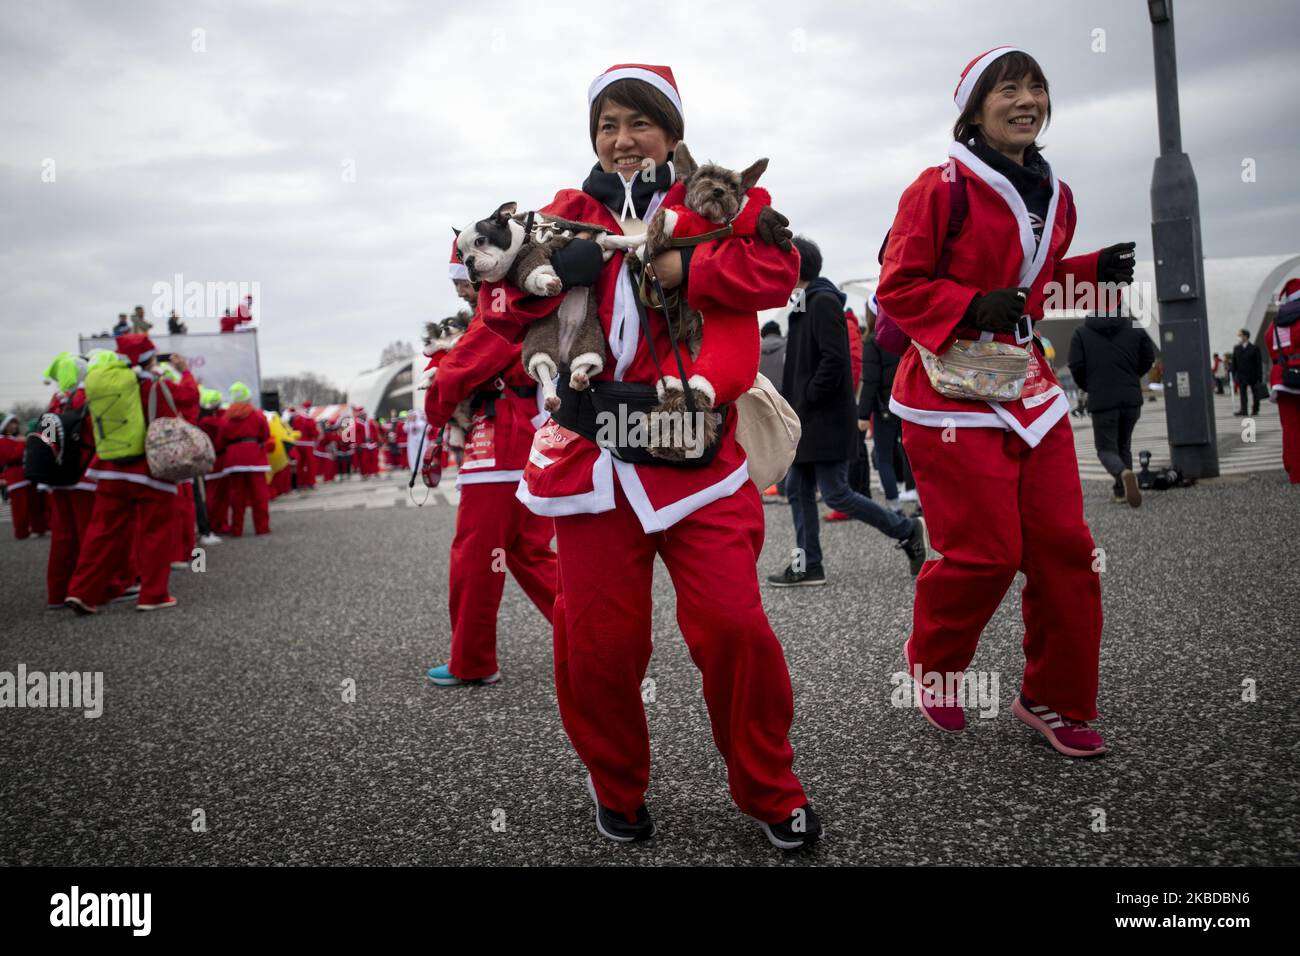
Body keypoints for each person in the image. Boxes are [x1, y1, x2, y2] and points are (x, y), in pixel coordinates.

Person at [478, 63, 820, 849]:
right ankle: (616, 783)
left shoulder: (714, 196)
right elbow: (489, 296)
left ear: (671, 131)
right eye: (608, 125)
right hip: (592, 463)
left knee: (735, 628)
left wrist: (688, 265)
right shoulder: (562, 211)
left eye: (641, 123)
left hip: (698, 455)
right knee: (596, 645)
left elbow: (780, 266)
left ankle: (771, 788)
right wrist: (539, 285)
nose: (624, 140)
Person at [877, 46, 1134, 757]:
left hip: (1028, 387)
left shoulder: (1060, 195)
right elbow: (897, 289)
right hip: (949, 394)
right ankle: (934, 665)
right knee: (984, 554)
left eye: (1037, 87)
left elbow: (1035, 287)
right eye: (1009, 88)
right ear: (975, 107)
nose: (1027, 100)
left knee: (1068, 551)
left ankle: (1055, 697)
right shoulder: (938, 188)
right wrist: (969, 304)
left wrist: (1089, 273)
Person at [423, 232, 559, 688]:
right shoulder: (523, 297)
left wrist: (436, 412)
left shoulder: (498, 308)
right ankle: (599, 636)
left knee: (476, 557)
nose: (461, 290)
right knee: (528, 552)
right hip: (534, 438)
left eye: (463, 278)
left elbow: (458, 371)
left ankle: (473, 660)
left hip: (500, 441)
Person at [768, 237, 926, 586]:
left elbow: (834, 362)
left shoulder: (821, 302)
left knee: (837, 492)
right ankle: (808, 564)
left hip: (822, 420)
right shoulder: (805, 302)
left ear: (795, 266)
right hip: (810, 420)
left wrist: (806, 398)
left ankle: (907, 530)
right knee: (797, 489)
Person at [66, 334, 195, 613]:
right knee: (155, 533)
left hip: (109, 469)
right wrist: (184, 372)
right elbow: (188, 398)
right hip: (149, 470)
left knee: (101, 533)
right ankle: (153, 595)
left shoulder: (103, 384)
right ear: (149, 358)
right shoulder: (153, 385)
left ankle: (83, 592)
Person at [1067, 302, 1156, 507]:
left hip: (1102, 400)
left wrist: (1089, 386)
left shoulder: (1081, 332)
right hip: (1131, 398)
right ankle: (1121, 490)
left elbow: (1076, 365)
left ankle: (1122, 474)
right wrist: (1132, 378)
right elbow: (1148, 358)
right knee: (1124, 445)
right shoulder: (1134, 326)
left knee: (1106, 449)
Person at [41, 353, 98, 606]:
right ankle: (88, 589)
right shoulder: (85, 397)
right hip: (83, 475)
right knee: (89, 534)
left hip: (57, 476)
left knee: (62, 536)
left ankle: (57, 592)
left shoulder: (56, 401)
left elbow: (49, 439)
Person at [859, 308, 906, 512]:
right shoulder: (904, 334)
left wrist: (862, 414)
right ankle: (920, 502)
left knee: (883, 456)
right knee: (908, 452)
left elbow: (870, 381)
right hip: (905, 403)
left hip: (883, 407)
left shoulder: (873, 340)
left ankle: (894, 506)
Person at [217, 381, 272, 536]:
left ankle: (237, 528)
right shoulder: (256, 414)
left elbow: (221, 439)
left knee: (236, 496)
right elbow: (265, 434)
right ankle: (262, 527)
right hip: (254, 455)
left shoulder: (226, 417)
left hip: (234, 458)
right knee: (259, 494)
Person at [1266, 277, 1300, 482]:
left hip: (1284, 379)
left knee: (1290, 427)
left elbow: (1270, 344)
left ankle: (1295, 472)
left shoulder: (1276, 323)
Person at [0, 413, 38, 539]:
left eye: (15, 423)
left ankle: (37, 528)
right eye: (11, 423)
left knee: (32, 504)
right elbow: (10, 457)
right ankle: (21, 532)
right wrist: (22, 444)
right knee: (20, 508)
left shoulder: (15, 439)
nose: (15, 426)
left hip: (25, 474)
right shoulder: (2, 440)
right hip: (15, 476)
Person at [1232, 328, 1263, 416]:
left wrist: (1260, 377)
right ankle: (1244, 410)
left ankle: (1255, 409)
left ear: (1246, 336)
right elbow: (1234, 362)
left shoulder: (1254, 348)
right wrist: (1233, 373)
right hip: (1241, 375)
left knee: (1255, 394)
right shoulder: (1237, 348)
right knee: (1242, 394)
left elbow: (1258, 364)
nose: (1240, 338)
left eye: (1241, 336)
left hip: (1253, 375)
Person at [291, 402, 319, 490]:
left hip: (298, 444)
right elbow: (313, 433)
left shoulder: (296, 419)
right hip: (308, 444)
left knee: (300, 464)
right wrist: (318, 433)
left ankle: (300, 483)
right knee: (311, 464)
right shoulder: (310, 420)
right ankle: (310, 482)